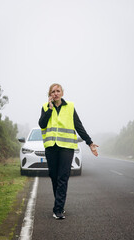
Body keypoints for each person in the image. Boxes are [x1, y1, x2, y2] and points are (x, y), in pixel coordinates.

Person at [38, 83, 98, 220]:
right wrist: (49, 109)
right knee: (54, 176)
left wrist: (89, 142)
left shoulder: (70, 107)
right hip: (51, 147)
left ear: (62, 93)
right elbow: (42, 124)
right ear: (50, 95)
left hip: (66, 147)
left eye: (58, 91)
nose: (55, 93)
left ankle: (58, 209)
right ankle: (59, 204)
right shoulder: (45, 107)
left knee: (62, 178)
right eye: (53, 91)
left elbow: (78, 125)